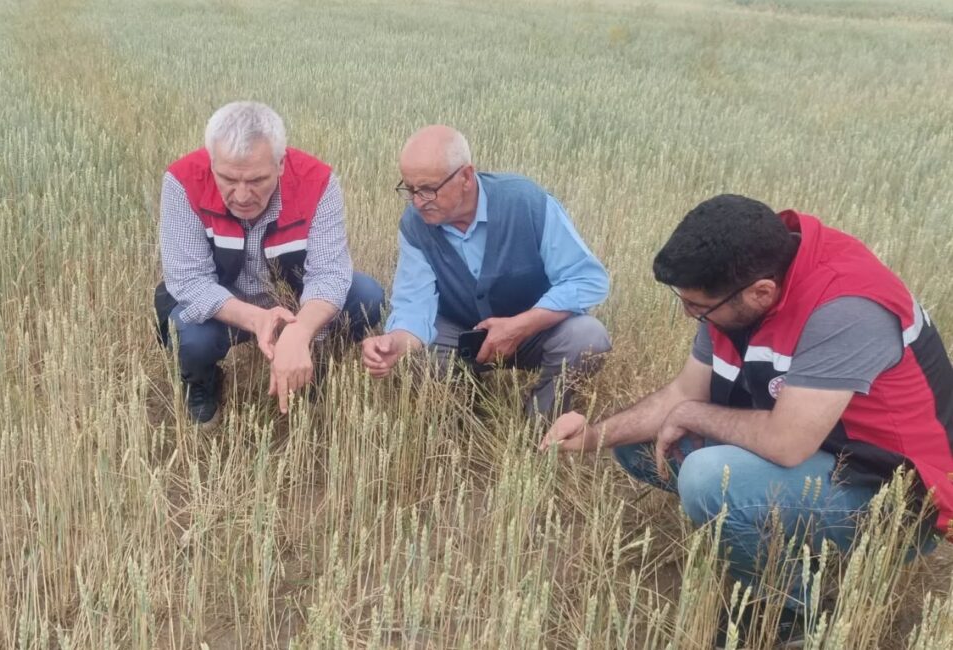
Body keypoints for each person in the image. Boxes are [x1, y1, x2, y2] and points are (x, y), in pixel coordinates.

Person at [542, 194, 953, 645]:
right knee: (637, 442)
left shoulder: (846, 309)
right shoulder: (740, 283)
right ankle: (786, 540)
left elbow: (785, 443)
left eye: (698, 307)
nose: (689, 315)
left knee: (706, 478)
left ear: (761, 292)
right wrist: (592, 436)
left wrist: (692, 415)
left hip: (898, 497)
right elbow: (683, 393)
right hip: (826, 453)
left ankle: (786, 611)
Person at [155, 101, 383, 423]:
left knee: (367, 296)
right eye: (228, 180)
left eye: (257, 180)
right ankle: (203, 383)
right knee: (187, 333)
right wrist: (259, 320)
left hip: (293, 300)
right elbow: (190, 281)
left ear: (281, 164)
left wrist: (300, 330)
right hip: (226, 306)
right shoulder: (182, 181)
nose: (243, 195)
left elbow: (330, 274)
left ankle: (314, 361)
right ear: (211, 162)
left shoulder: (318, 181)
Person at [362, 125, 611, 418]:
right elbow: (414, 305)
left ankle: (540, 425)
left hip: (535, 331)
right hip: (460, 334)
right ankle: (465, 419)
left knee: (589, 338)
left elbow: (587, 279)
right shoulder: (415, 224)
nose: (417, 202)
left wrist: (521, 326)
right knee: (420, 355)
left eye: (428, 190)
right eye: (410, 189)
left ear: (466, 176)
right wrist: (397, 343)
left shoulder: (525, 202)